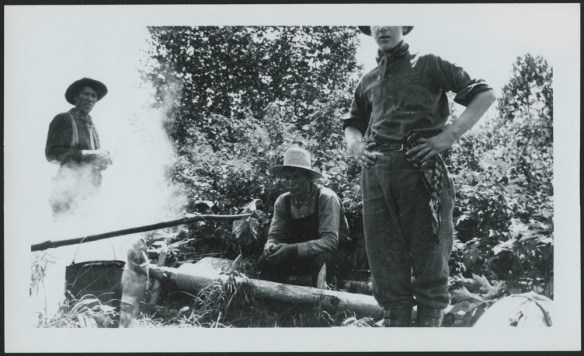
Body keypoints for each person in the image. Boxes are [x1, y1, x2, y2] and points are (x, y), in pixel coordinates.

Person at [343, 26, 496, 326]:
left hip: (419, 170)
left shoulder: (427, 63)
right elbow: (352, 123)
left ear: (403, 25)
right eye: (375, 21)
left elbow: (484, 94)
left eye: (389, 18)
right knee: (386, 268)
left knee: (430, 262)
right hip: (375, 176)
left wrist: (447, 137)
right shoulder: (368, 80)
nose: (382, 27)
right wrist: (356, 146)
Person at [257, 146, 351, 288]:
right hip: (301, 256)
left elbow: (330, 241)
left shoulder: (325, 198)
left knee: (323, 260)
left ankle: (322, 306)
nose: (291, 183)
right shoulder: (283, 201)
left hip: (332, 255)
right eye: (287, 178)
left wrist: (292, 249)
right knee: (265, 260)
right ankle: (272, 304)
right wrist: (270, 245)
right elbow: (276, 235)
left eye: (296, 177)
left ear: (308, 177)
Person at [45, 77, 113, 216]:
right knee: (66, 231)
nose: (90, 99)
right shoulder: (63, 119)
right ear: (76, 97)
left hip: (91, 188)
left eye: (93, 96)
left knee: (88, 231)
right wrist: (87, 154)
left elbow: (93, 159)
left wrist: (103, 160)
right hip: (67, 188)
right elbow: (51, 154)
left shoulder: (92, 126)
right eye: (85, 94)